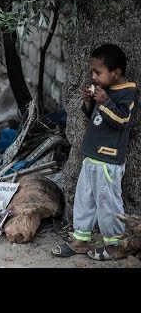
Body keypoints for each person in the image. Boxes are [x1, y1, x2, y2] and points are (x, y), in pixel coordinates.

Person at [51, 43, 139, 261]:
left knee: (108, 203)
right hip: (91, 156)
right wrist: (89, 102)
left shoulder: (129, 93)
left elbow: (122, 120)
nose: (94, 77)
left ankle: (116, 244)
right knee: (84, 200)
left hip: (108, 160)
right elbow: (97, 119)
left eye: (98, 72)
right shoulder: (105, 92)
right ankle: (80, 240)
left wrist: (105, 101)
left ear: (115, 73)